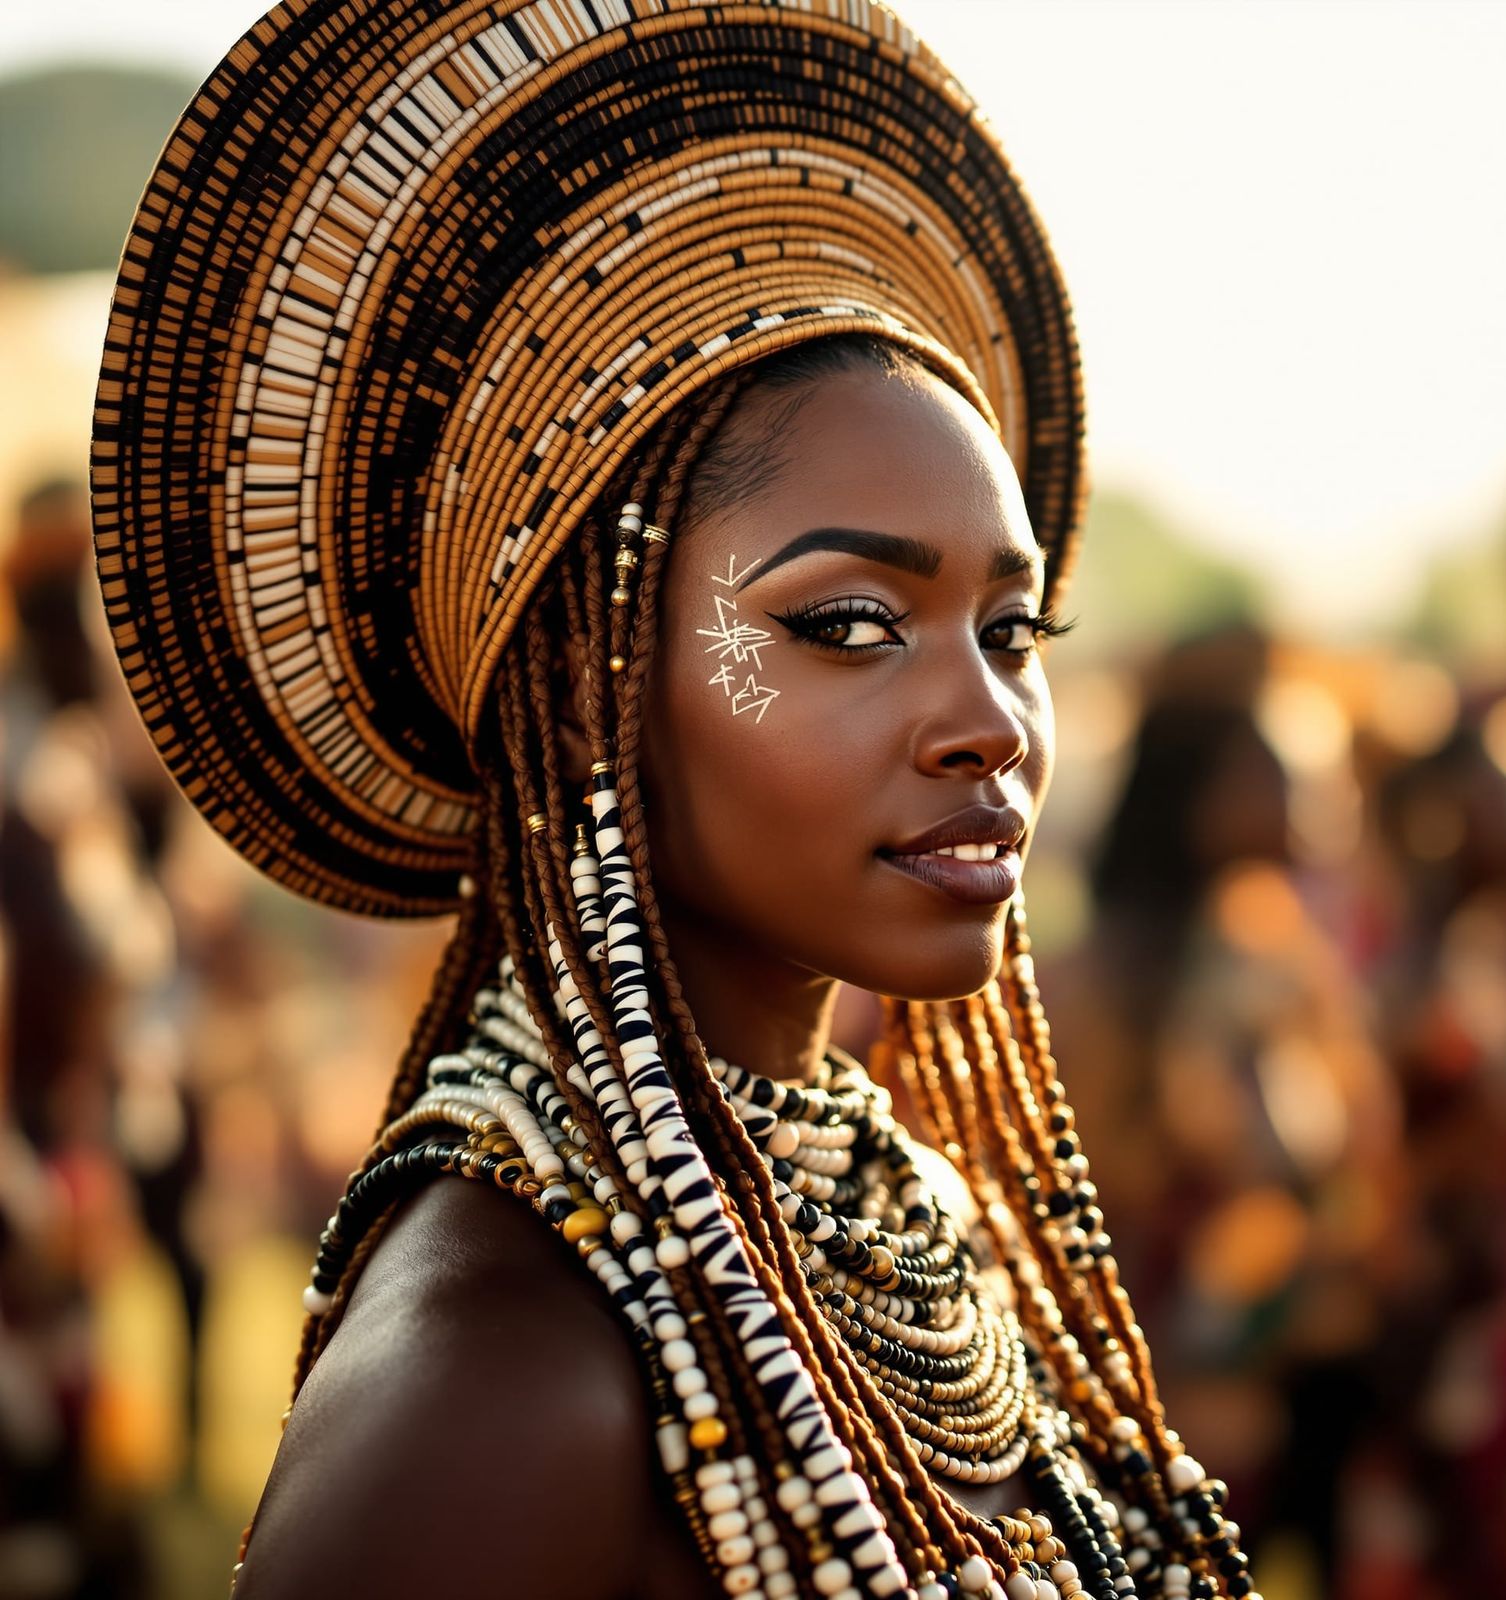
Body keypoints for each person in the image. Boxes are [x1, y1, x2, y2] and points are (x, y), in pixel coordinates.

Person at [89, 3, 1261, 1597]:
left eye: (1012, 630)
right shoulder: (501, 1377)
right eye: (848, 623)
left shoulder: (875, 1197)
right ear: (592, 682)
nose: (989, 721)